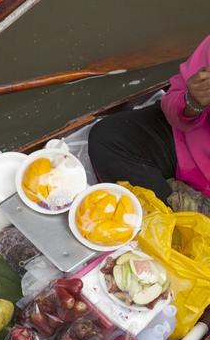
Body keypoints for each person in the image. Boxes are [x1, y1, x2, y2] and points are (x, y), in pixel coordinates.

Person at [88, 35, 210, 212]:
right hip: (185, 141)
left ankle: (177, 210)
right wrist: (192, 102)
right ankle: (175, 208)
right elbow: (174, 100)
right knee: (107, 138)